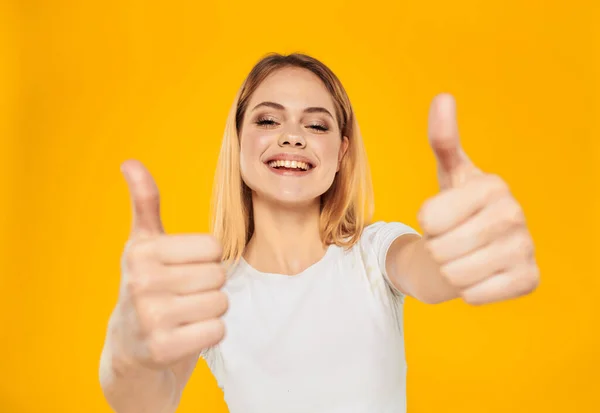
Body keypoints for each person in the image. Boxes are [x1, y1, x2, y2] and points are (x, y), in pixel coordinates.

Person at [99, 53, 540, 413]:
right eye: (268, 121)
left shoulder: (376, 252)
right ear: (238, 141)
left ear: (340, 151)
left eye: (316, 125)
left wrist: (465, 251)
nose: (292, 137)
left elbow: (431, 271)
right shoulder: (210, 293)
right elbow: (147, 402)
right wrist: (125, 360)